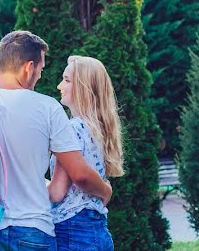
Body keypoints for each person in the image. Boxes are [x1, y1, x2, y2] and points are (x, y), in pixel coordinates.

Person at [0, 31, 112, 250]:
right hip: (33, 231)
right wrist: (106, 190)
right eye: (41, 69)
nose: (39, 75)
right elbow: (78, 173)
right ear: (29, 67)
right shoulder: (48, 107)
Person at [47, 55, 123, 251]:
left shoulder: (70, 130)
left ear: (84, 87)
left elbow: (57, 192)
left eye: (66, 80)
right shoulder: (98, 130)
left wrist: (22, 192)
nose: (59, 86)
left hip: (72, 230)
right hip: (97, 228)